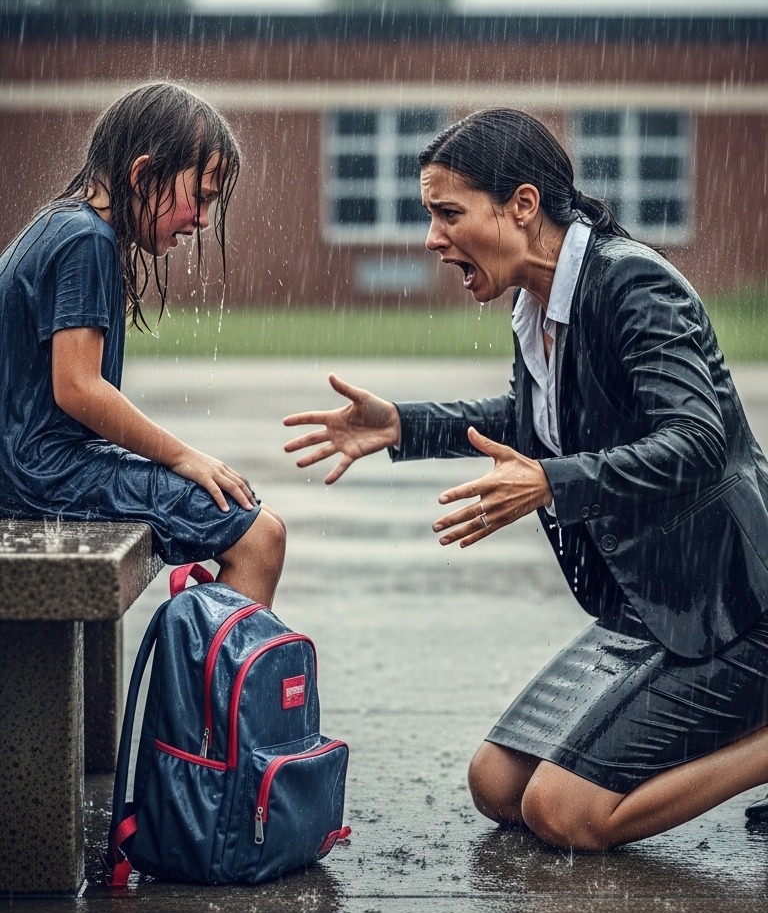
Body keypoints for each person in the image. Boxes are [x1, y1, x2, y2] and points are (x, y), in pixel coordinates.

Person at [284, 107, 768, 850]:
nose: (432, 238)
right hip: (650, 606)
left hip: (728, 605)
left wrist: (552, 482)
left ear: (522, 205)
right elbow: (536, 417)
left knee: (566, 814)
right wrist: (403, 426)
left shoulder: (632, 284)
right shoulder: (535, 303)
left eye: (449, 213)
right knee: (497, 786)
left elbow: (699, 440)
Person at [0, 81, 285, 607]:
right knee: (260, 536)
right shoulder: (87, 240)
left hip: (24, 469)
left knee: (248, 522)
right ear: (141, 174)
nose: (201, 221)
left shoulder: (58, 224)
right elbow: (79, 389)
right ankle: (215, 691)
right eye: (199, 198)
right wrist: (184, 457)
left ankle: (202, 679)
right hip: (43, 477)